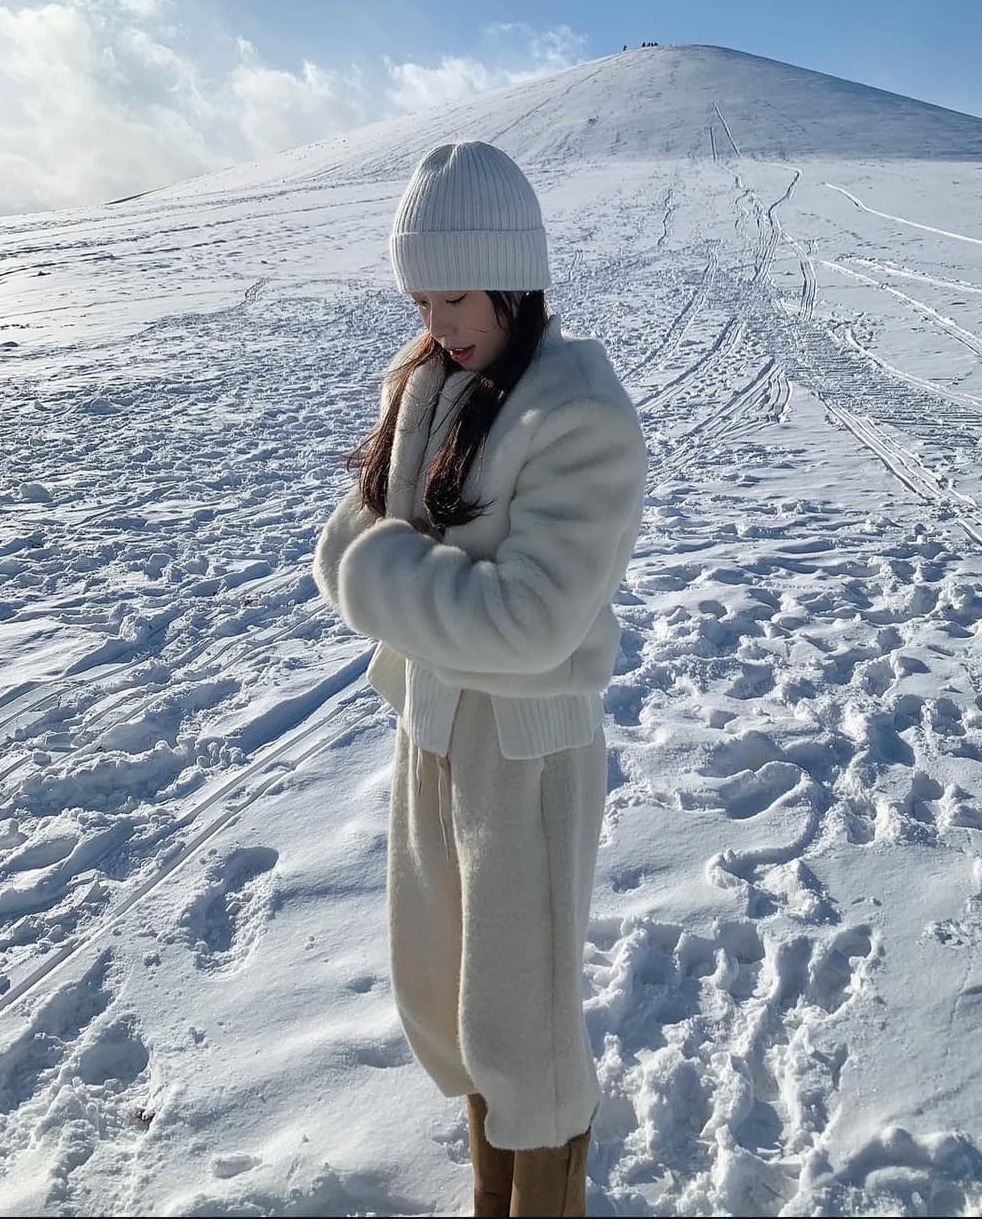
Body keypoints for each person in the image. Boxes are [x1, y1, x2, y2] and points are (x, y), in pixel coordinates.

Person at [312, 141, 648, 1217]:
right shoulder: (426, 382)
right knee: (447, 995)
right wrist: (394, 577)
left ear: (513, 274)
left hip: (528, 752)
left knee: (522, 1022)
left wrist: (377, 572)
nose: (437, 320)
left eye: (453, 294)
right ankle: (490, 1189)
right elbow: (347, 540)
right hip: (433, 727)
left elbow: (528, 619)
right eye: (419, 295)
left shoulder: (578, 409)